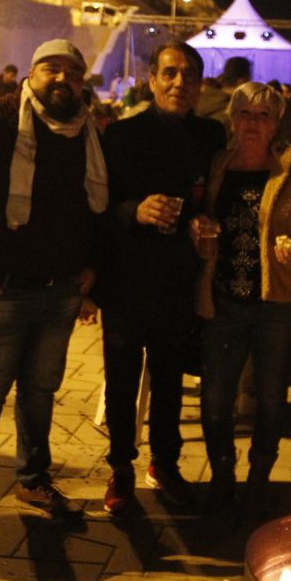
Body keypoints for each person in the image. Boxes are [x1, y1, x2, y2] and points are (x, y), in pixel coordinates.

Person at [0, 40, 106, 567]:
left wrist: (90, 272)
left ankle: (34, 480)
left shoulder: (88, 130)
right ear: (30, 75)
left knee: (40, 393)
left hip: (61, 290)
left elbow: (92, 210)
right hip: (4, 290)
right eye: (50, 68)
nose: (61, 78)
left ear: (82, 82)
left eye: (72, 72)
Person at [193, 82, 291, 514]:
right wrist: (198, 230)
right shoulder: (218, 166)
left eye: (263, 116)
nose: (253, 124)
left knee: (271, 398)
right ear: (232, 120)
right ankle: (223, 475)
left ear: (277, 123)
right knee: (216, 400)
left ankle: (259, 477)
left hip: (279, 306)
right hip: (224, 303)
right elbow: (200, 218)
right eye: (245, 114)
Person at [94, 41, 227, 515]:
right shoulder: (120, 135)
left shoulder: (212, 136)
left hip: (178, 281)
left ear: (200, 83)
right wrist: (135, 210)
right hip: (127, 282)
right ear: (151, 79)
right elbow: (98, 208)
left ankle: (165, 464)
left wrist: (203, 221)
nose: (179, 83)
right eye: (170, 73)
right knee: (122, 382)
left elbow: (216, 199)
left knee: (170, 381)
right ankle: (120, 468)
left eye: (189, 75)